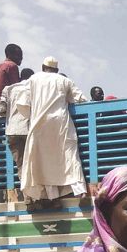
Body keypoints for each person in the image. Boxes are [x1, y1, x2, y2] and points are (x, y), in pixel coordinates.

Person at [20, 56, 87, 207]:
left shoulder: (33, 79)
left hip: (39, 125)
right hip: (61, 123)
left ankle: (52, 196)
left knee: (44, 163)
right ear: (57, 70)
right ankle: (80, 190)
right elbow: (81, 99)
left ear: (43, 67)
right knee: (69, 156)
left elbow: (23, 104)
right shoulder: (64, 80)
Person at [0, 68, 35, 175]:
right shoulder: (33, 88)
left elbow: (1, 108)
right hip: (27, 129)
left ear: (20, 77)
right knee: (32, 162)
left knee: (20, 163)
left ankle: (24, 188)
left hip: (12, 131)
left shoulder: (8, 89)